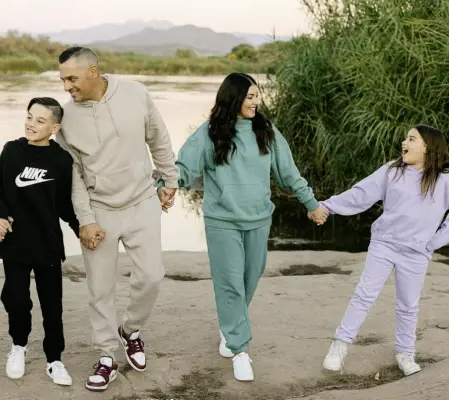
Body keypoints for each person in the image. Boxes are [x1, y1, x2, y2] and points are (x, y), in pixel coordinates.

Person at [157, 72, 328, 382]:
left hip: (259, 219)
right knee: (230, 284)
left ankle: (230, 327)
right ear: (233, 99)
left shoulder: (267, 132)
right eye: (250, 96)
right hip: (222, 222)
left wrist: (311, 203)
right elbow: (184, 167)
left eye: (257, 95)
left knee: (250, 279)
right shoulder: (209, 134)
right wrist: (167, 184)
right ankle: (240, 350)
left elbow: (289, 174)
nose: (256, 101)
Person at [53, 46, 179, 392]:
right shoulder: (66, 118)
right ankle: (107, 355)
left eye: (71, 78)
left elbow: (158, 136)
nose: (66, 86)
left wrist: (170, 179)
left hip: (141, 201)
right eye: (63, 79)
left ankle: (130, 330)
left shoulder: (135, 92)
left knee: (153, 275)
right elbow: (74, 176)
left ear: (92, 72)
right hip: (100, 210)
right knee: (100, 290)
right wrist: (85, 220)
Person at [320, 125, 449, 376]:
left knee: (408, 306)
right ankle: (340, 345)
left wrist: (433, 242)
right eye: (405, 138)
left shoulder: (444, 180)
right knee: (364, 294)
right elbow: (360, 194)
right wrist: (327, 206)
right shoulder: (392, 171)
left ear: (427, 147)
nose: (404, 142)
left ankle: (405, 353)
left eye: (412, 139)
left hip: (416, 253)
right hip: (384, 244)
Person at [0, 97, 80, 386]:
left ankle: (54, 359)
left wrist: (81, 228)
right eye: (29, 116)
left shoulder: (62, 160)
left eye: (40, 120)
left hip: (48, 242)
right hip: (14, 241)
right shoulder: (12, 151)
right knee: (16, 299)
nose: (31, 123)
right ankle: (18, 346)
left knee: (53, 305)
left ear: (55, 127)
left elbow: (65, 204)